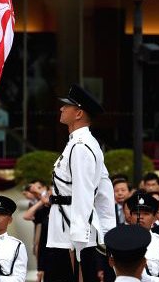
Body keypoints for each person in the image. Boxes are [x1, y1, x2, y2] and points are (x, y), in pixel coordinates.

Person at [47, 84, 116, 282]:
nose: (61, 109)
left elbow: (85, 194)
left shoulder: (81, 147)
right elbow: (105, 191)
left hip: (69, 236)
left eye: (66, 106)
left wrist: (77, 243)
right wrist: (106, 231)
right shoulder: (82, 143)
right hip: (64, 231)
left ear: (78, 113)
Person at [123, 191, 159, 282]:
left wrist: (146, 279)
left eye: (146, 214)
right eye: (136, 213)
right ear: (130, 217)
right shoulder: (121, 242)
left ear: (154, 218)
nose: (140, 217)